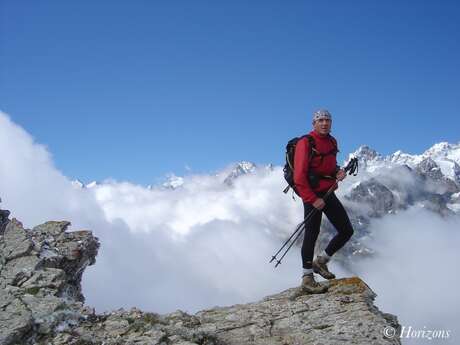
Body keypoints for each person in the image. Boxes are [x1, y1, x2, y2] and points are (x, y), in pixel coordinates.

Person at [293, 109, 354, 293]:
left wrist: (337, 172)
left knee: (346, 230)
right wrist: (312, 199)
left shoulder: (332, 141)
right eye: (320, 120)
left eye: (327, 120)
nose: (324, 123)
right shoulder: (306, 142)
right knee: (312, 233)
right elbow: (299, 176)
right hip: (311, 195)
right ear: (314, 123)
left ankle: (321, 262)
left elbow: (328, 166)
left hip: (327, 192)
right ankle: (307, 278)